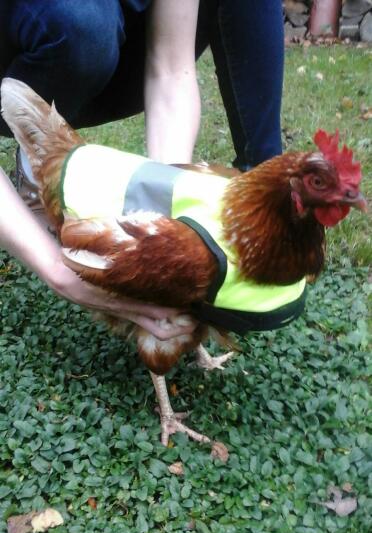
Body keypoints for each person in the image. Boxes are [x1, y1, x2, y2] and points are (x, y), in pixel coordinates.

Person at [0, 0, 284, 334]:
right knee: (80, 25)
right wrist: (60, 272)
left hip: (103, 51)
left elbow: (171, 70)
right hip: (49, 48)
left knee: (87, 28)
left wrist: (164, 217)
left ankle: (265, 188)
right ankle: (37, 167)